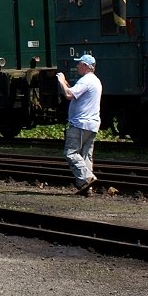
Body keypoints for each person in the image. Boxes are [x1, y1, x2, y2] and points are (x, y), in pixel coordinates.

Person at [56, 53, 103, 195]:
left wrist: (61, 80)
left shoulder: (86, 80)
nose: (77, 66)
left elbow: (69, 95)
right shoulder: (95, 81)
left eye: (79, 64)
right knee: (86, 156)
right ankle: (86, 187)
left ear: (85, 66)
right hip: (92, 124)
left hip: (80, 123)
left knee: (71, 153)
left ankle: (87, 178)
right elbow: (74, 93)